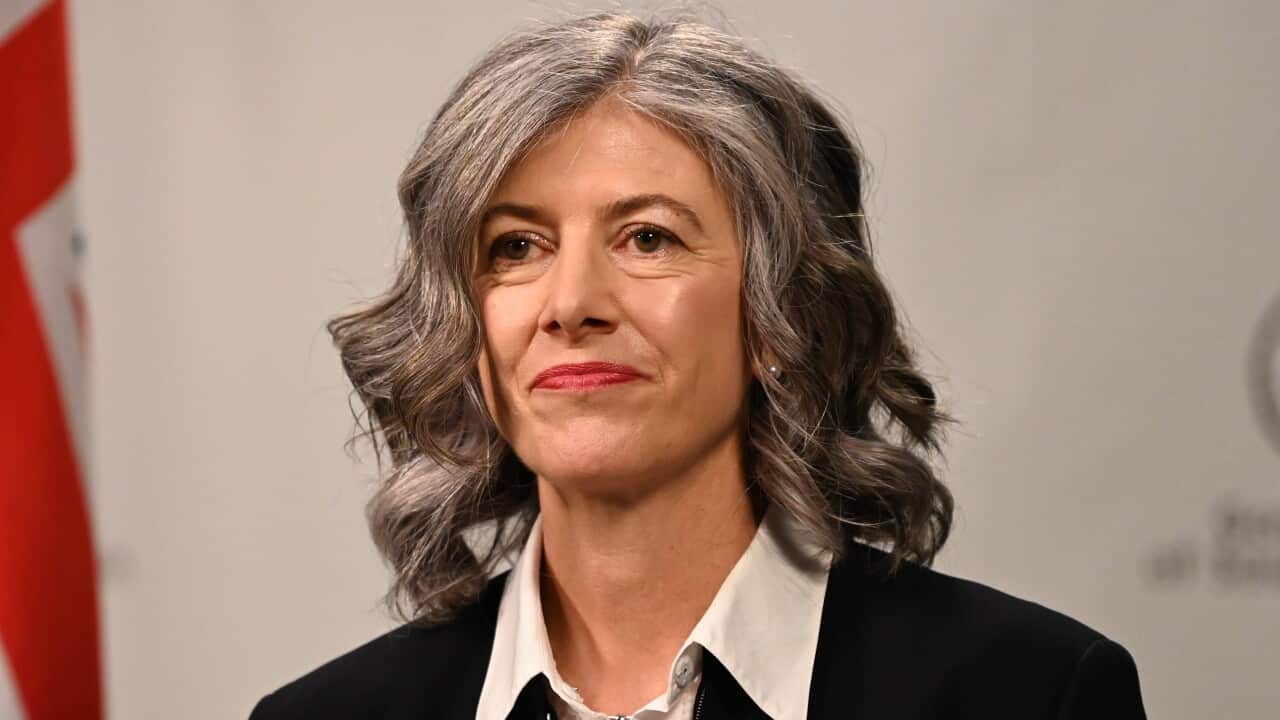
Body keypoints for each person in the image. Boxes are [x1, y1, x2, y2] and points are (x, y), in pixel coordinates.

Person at [249, 9, 1146, 720]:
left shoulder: (1029, 695)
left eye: (648, 237)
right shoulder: (327, 715)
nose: (570, 303)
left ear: (777, 312)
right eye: (516, 246)